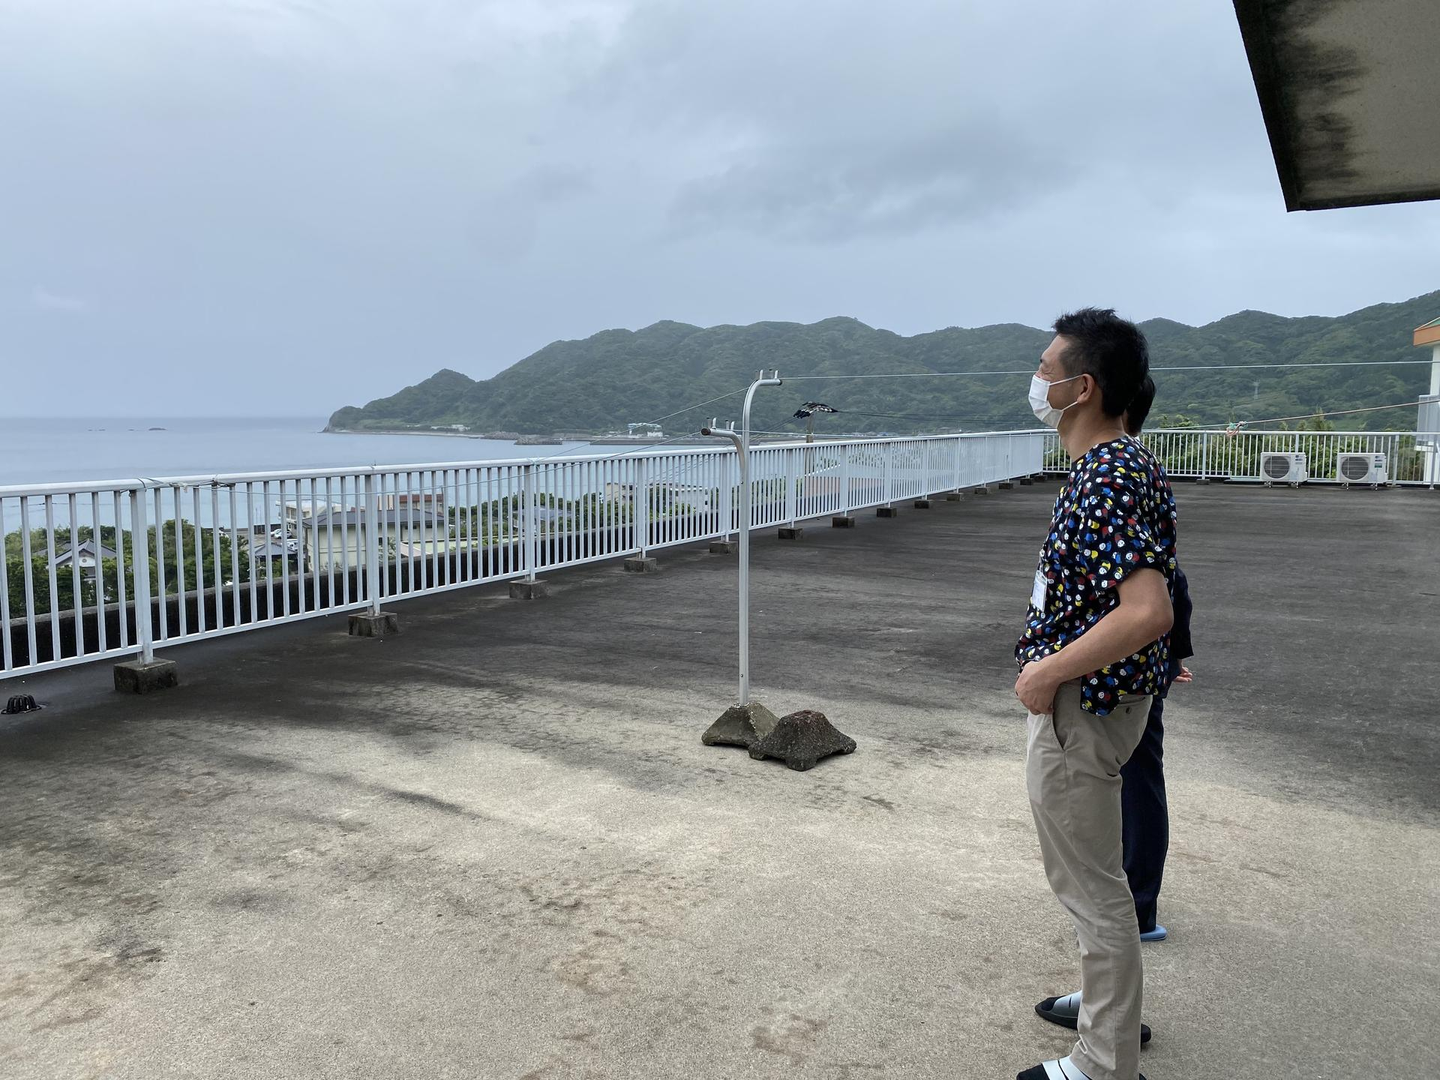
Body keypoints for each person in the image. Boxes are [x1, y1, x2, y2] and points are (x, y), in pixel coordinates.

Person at [1013, 309, 1178, 1080]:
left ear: (1081, 388)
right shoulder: (1128, 463)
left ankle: (1103, 1061)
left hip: (1084, 708)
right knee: (1096, 871)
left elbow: (1148, 609)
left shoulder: (1103, 478)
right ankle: (1106, 1005)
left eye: (1046, 369)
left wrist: (1047, 672)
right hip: (1117, 702)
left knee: (1090, 882)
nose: (1036, 381)